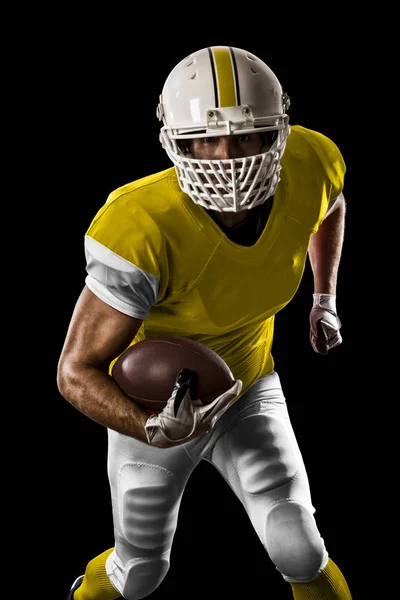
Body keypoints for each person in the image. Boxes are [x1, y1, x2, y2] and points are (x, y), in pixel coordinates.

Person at [58, 45, 352, 599]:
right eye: (206, 140)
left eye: (246, 136)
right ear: (175, 141)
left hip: (247, 384)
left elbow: (330, 206)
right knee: (139, 573)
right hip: (156, 405)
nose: (226, 158)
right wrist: (148, 426)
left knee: (301, 548)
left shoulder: (311, 162)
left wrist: (324, 297)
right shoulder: (140, 224)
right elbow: (74, 371)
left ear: (278, 133)